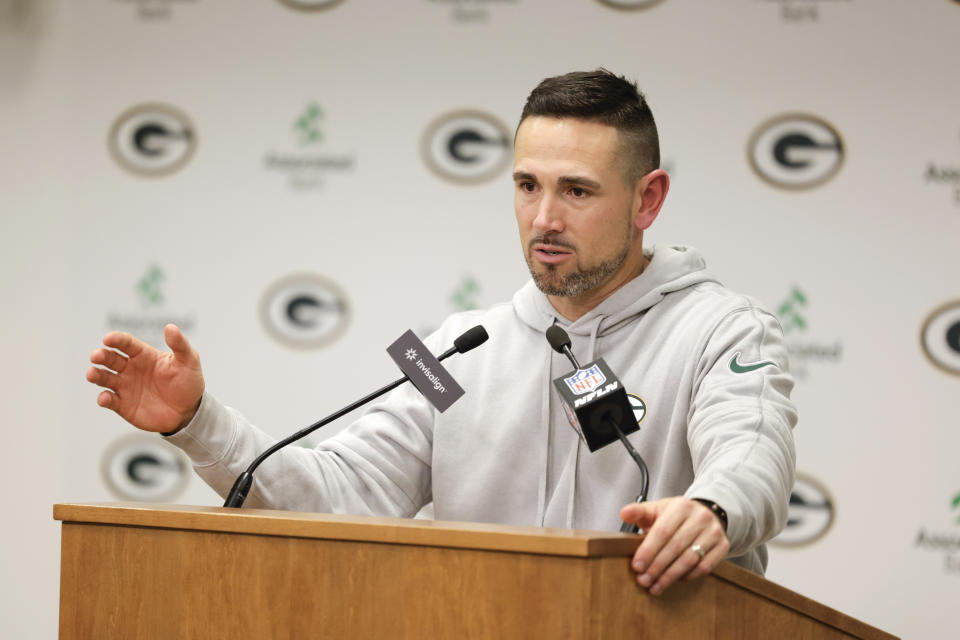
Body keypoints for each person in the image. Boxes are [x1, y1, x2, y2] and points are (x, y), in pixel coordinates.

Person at [86, 69, 796, 597]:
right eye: (526, 186)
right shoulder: (455, 348)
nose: (544, 218)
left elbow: (753, 458)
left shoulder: (726, 329)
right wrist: (198, 423)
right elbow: (338, 495)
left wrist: (709, 509)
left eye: (576, 191)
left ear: (649, 199)